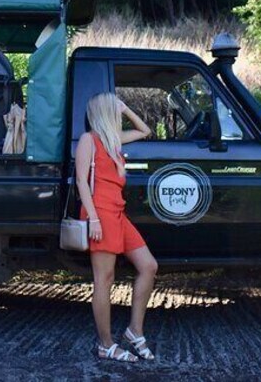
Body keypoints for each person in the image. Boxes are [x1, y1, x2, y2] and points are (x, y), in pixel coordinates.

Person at [76, 92, 157, 363]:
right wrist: (94, 219)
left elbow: (145, 130)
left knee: (148, 266)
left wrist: (125, 109)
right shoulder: (89, 140)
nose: (117, 113)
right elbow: (81, 182)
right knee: (105, 279)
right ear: (103, 113)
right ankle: (106, 344)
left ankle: (135, 331)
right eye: (114, 109)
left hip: (118, 213)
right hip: (101, 213)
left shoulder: (112, 140)